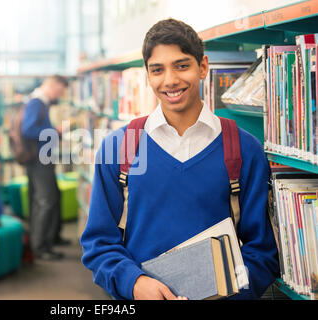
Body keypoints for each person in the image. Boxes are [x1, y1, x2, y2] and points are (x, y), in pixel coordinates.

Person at [80, 18, 279, 300]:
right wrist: (134, 284)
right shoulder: (119, 147)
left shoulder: (244, 149)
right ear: (147, 76)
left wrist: (225, 294)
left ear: (203, 67)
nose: (170, 80)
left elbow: (262, 253)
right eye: (157, 70)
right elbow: (99, 245)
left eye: (182, 65)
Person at [21, 75, 69, 260]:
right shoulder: (37, 103)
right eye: (60, 90)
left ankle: (49, 239)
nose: (60, 95)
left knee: (48, 197)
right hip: (39, 159)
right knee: (45, 200)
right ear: (52, 86)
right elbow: (28, 130)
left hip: (41, 158)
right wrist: (53, 132)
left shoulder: (40, 102)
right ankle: (40, 247)